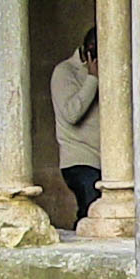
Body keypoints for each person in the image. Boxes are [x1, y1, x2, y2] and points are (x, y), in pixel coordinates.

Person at [51, 28, 101, 225]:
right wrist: (92, 78)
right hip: (80, 160)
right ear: (89, 50)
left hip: (109, 162)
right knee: (91, 215)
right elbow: (72, 113)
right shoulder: (64, 72)